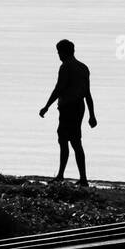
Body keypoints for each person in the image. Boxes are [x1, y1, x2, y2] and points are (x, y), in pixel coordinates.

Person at [38, 39, 97, 186]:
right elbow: (87, 94)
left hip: (68, 108)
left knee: (65, 140)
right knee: (75, 141)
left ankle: (63, 176)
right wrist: (92, 115)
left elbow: (59, 88)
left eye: (59, 52)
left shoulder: (65, 67)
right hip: (79, 107)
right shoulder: (83, 68)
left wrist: (46, 106)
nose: (58, 55)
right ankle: (81, 178)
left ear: (64, 52)